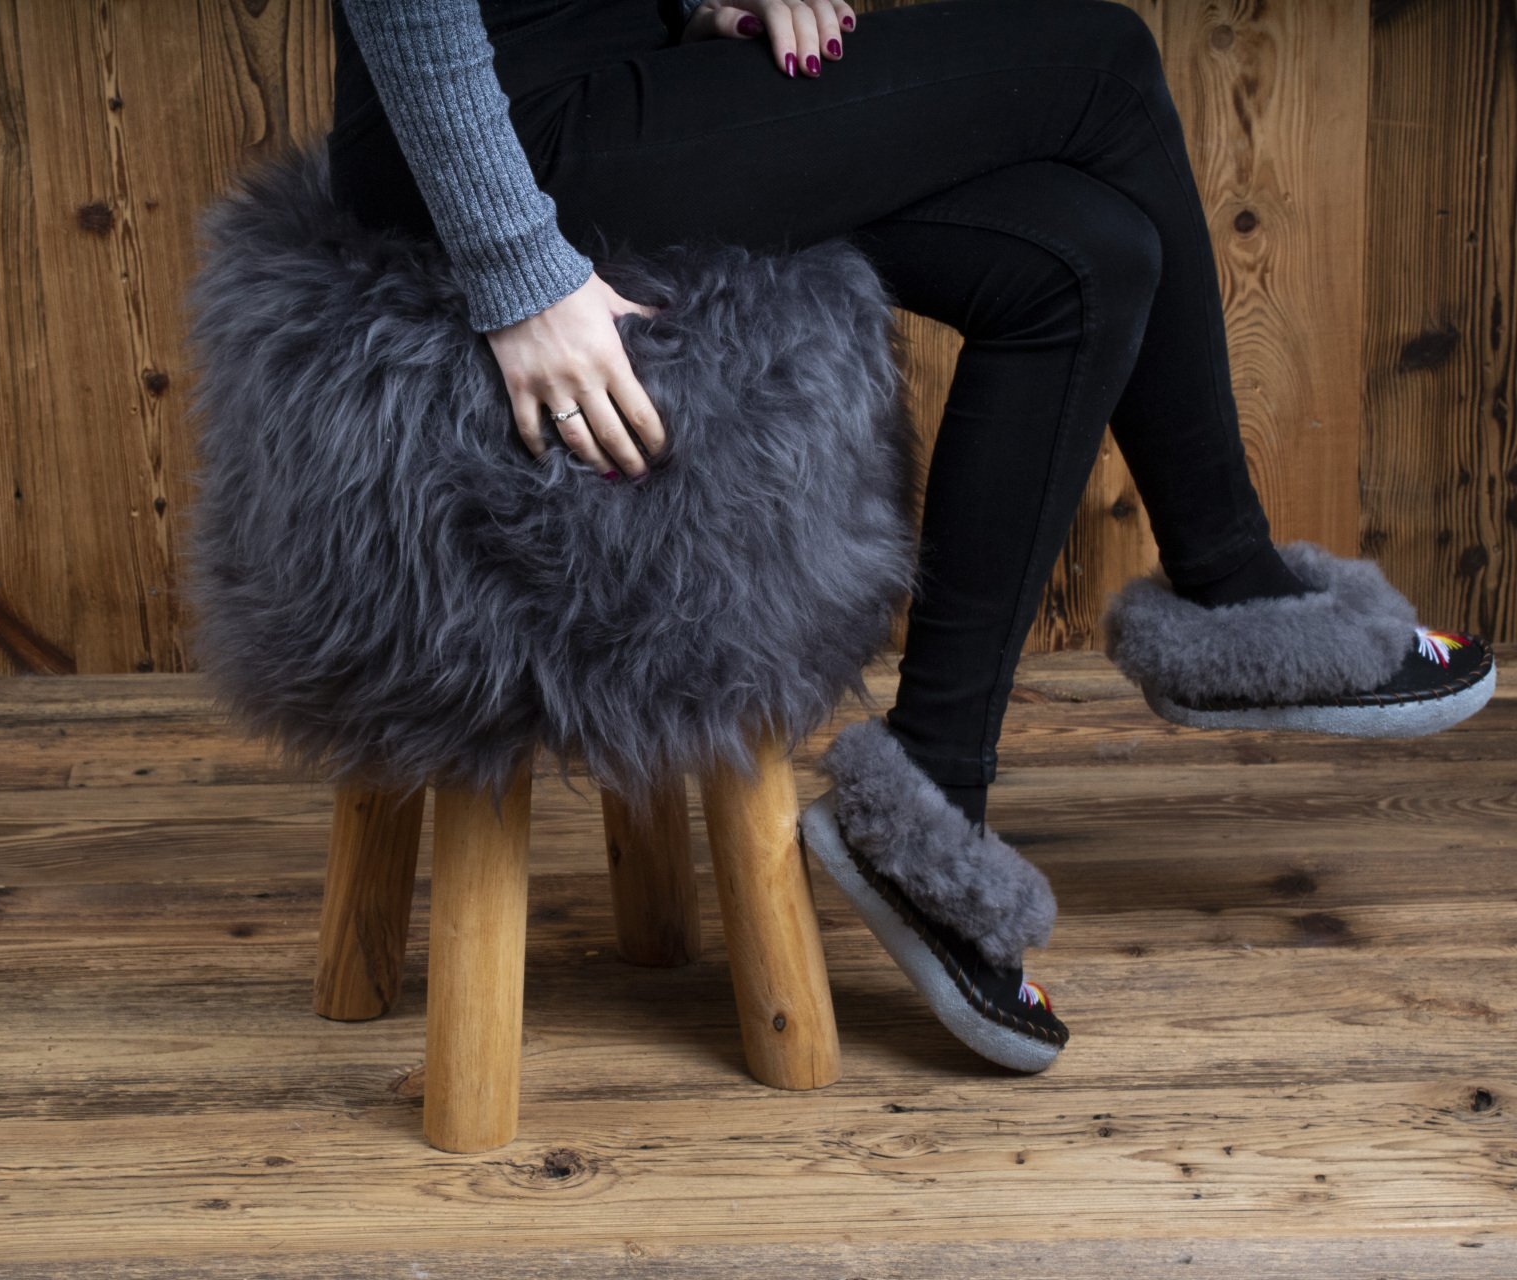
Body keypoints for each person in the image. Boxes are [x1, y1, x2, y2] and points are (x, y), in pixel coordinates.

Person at [324, 0, 1497, 1072]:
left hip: (611, 89)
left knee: (1086, 255)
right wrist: (516, 268)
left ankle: (936, 788)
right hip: (496, 144)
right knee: (1104, 62)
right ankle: (1233, 584)